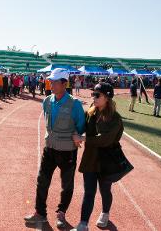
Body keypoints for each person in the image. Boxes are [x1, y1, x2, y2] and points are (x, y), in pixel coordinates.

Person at [25, 68, 85, 229]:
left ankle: (61, 213)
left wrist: (76, 135)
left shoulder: (75, 104)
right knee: (42, 181)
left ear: (64, 84)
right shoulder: (47, 101)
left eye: (54, 82)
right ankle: (40, 213)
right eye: (50, 81)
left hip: (67, 151)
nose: (50, 84)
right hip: (50, 148)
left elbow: (81, 127)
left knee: (67, 185)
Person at [71, 83, 124, 231]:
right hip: (91, 159)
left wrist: (82, 139)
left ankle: (105, 213)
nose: (93, 97)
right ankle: (83, 224)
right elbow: (81, 128)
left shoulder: (115, 118)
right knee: (89, 192)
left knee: (105, 189)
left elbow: (105, 139)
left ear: (107, 97)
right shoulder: (90, 113)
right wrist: (76, 135)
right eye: (93, 94)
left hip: (107, 160)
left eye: (97, 95)